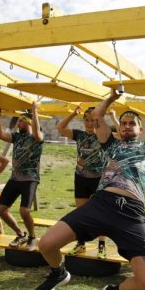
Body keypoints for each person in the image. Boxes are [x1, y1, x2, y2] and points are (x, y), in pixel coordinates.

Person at [34, 85, 145, 290]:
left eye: (131, 123)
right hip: (101, 203)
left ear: (140, 128)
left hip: (132, 213)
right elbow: (96, 116)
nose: (126, 126)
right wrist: (112, 97)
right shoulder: (110, 144)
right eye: (123, 123)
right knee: (46, 244)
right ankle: (58, 272)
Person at [56, 106, 108, 259]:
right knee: (81, 213)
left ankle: (102, 246)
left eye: (93, 120)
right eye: (86, 120)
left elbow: (120, 136)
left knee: (101, 213)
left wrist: (108, 116)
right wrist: (73, 113)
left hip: (99, 178)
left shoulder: (104, 136)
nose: (89, 123)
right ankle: (81, 243)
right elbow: (60, 127)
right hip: (81, 178)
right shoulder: (78, 135)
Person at [0, 102, 44, 251]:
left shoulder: (37, 137)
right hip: (15, 178)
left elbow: (36, 133)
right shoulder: (17, 137)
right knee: (1, 209)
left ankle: (32, 237)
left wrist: (34, 111)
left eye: (20, 121)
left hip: (30, 179)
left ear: (27, 122)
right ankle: (20, 234)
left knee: (24, 211)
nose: (17, 124)